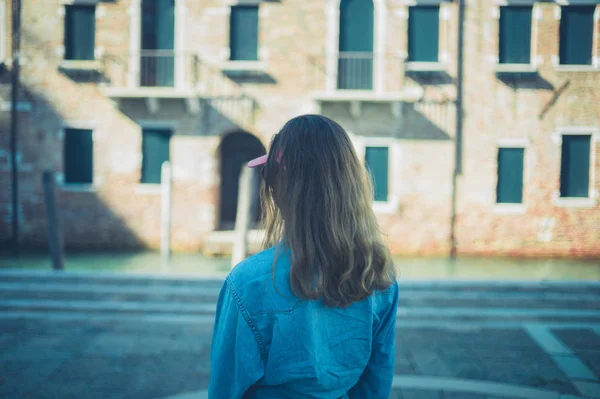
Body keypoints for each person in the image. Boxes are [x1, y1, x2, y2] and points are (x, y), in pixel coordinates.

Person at [208, 114, 399, 399]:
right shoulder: (379, 278)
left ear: (282, 190)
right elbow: (375, 387)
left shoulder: (247, 284)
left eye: (271, 180)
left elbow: (226, 391)